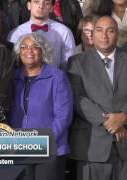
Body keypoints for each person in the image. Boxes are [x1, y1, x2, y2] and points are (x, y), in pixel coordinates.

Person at [67, 16, 127, 180]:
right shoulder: (76, 62)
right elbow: (78, 100)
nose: (104, 35)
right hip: (91, 148)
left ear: (117, 35)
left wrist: (123, 117)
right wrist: (110, 122)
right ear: (92, 35)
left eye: (110, 31)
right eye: (99, 30)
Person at [8, 33, 73, 180]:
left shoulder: (57, 77)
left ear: (43, 51)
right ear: (19, 52)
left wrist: (43, 142)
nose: (29, 51)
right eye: (24, 47)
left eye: (35, 47)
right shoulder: (12, 77)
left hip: (50, 149)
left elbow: (63, 116)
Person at [7, 0, 75, 69]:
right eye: (36, 2)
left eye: (46, 3)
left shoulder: (64, 32)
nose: (41, 6)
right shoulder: (15, 33)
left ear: (51, 8)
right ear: (29, 5)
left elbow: (68, 65)